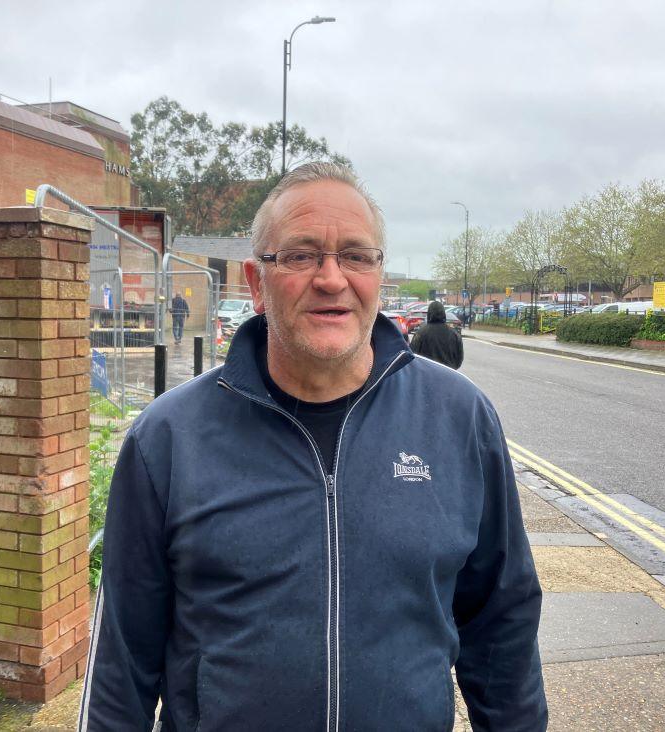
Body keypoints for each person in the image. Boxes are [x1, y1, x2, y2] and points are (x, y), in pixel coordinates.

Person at [80, 163, 547, 731]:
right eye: (301, 255)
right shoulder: (168, 439)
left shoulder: (459, 419)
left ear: (379, 274)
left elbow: (502, 626)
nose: (332, 278)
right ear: (256, 283)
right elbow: (121, 666)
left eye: (356, 255)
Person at [411, 301, 464, 369]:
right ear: (444, 313)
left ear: (429, 314)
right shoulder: (454, 334)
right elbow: (459, 359)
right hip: (448, 374)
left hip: (426, 374)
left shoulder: (421, 333)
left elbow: (413, 355)